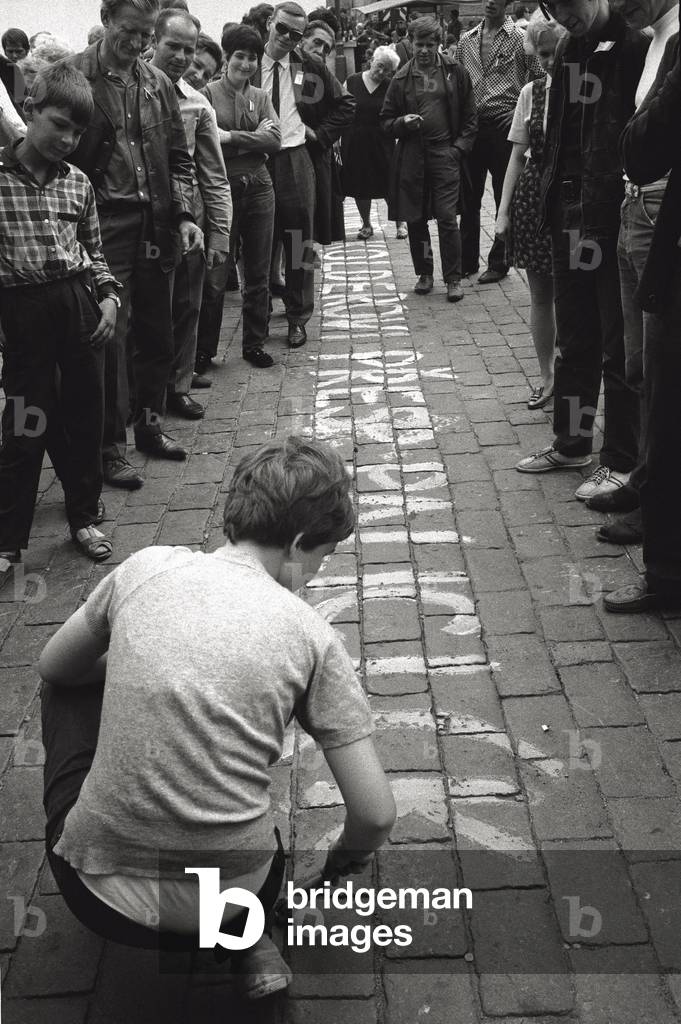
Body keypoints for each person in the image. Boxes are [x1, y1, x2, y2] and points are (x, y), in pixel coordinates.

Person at [38, 436, 396, 998]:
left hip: (96, 898)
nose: (320, 572)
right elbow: (375, 816)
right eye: (324, 556)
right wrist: (342, 862)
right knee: (248, 824)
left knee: (64, 687)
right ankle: (250, 940)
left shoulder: (145, 567)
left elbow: (54, 665)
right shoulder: (311, 635)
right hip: (238, 895)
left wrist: (147, 666)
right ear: (300, 543)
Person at [515, 0, 649, 505]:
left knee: (618, 346)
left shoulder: (635, 39)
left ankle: (620, 460)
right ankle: (572, 443)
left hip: (610, 215)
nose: (565, 14)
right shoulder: (572, 46)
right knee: (574, 339)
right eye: (555, 6)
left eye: (571, 4)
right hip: (570, 213)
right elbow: (561, 135)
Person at [68, 0, 201, 490]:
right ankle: (109, 448)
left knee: (157, 333)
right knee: (112, 337)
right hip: (103, 227)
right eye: (130, 31)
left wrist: (185, 213)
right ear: (105, 19)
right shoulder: (72, 77)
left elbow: (178, 158)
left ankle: (149, 427)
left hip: (158, 223)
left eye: (146, 33)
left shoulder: (157, 83)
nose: (139, 43)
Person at [0, 63, 119, 573]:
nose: (68, 139)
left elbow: (95, 252)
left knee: (84, 415)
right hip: (22, 311)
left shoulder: (79, 184)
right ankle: (8, 539)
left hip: (78, 306)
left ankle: (84, 515)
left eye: (77, 131)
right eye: (58, 124)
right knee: (26, 421)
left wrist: (110, 297)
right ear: (29, 110)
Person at [592, 0, 678, 542]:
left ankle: (657, 502)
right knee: (638, 360)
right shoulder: (650, 38)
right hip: (633, 206)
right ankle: (645, 479)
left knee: (660, 363)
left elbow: (649, 142)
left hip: (657, 207)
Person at [252, 1, 355, 349]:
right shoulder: (248, 62)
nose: (286, 38)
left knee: (300, 242)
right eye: (281, 29)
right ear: (270, 22)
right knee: (258, 243)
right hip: (255, 160)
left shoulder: (306, 67)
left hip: (296, 159)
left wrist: (320, 134)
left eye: (295, 34)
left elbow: (345, 105)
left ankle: (298, 318)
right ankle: (258, 319)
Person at [150, 9, 232, 415]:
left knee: (187, 306)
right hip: (137, 223)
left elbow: (214, 176)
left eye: (190, 50)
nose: (183, 58)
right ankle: (136, 397)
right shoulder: (122, 92)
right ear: (153, 41)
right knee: (140, 317)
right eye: (174, 47)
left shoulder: (198, 106)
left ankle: (178, 386)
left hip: (188, 224)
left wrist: (219, 233)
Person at [198, 24, 280, 370]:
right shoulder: (205, 94)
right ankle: (204, 350)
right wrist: (253, 135)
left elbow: (275, 141)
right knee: (216, 273)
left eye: (252, 58)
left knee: (258, 273)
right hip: (222, 189)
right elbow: (205, 141)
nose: (245, 64)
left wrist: (230, 137)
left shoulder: (260, 96)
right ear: (226, 57)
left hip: (260, 187)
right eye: (240, 56)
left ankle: (254, 344)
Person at [495, 11, 566, 409]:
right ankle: (547, 376)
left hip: (572, 201)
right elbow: (517, 156)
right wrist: (503, 212)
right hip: (533, 200)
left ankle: (577, 371)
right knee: (541, 294)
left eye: (555, 53)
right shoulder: (531, 92)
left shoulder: (587, 87)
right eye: (542, 54)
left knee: (576, 296)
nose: (549, 61)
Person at [381, 16, 477, 303]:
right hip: (413, 155)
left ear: (439, 43)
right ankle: (424, 273)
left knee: (447, 218)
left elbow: (471, 118)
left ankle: (454, 278)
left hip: (445, 153)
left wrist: (458, 149)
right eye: (419, 44)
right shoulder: (400, 78)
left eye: (430, 44)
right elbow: (385, 121)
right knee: (417, 219)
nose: (424, 50)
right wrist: (401, 123)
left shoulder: (455, 71)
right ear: (410, 42)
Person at [455, 0, 542, 282]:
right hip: (471, 127)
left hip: (504, 126)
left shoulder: (519, 37)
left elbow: (541, 76)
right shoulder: (466, 40)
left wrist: (521, 112)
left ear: (508, 3)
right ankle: (466, 260)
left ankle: (499, 261)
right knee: (469, 197)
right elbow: (455, 79)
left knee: (506, 194)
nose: (491, 2)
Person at [342, 45, 400, 240]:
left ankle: (401, 223)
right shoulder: (351, 81)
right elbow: (341, 111)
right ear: (372, 61)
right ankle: (366, 224)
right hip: (356, 140)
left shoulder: (391, 86)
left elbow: (397, 113)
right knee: (361, 183)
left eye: (387, 70)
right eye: (379, 66)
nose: (381, 72)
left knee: (390, 183)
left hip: (382, 141)